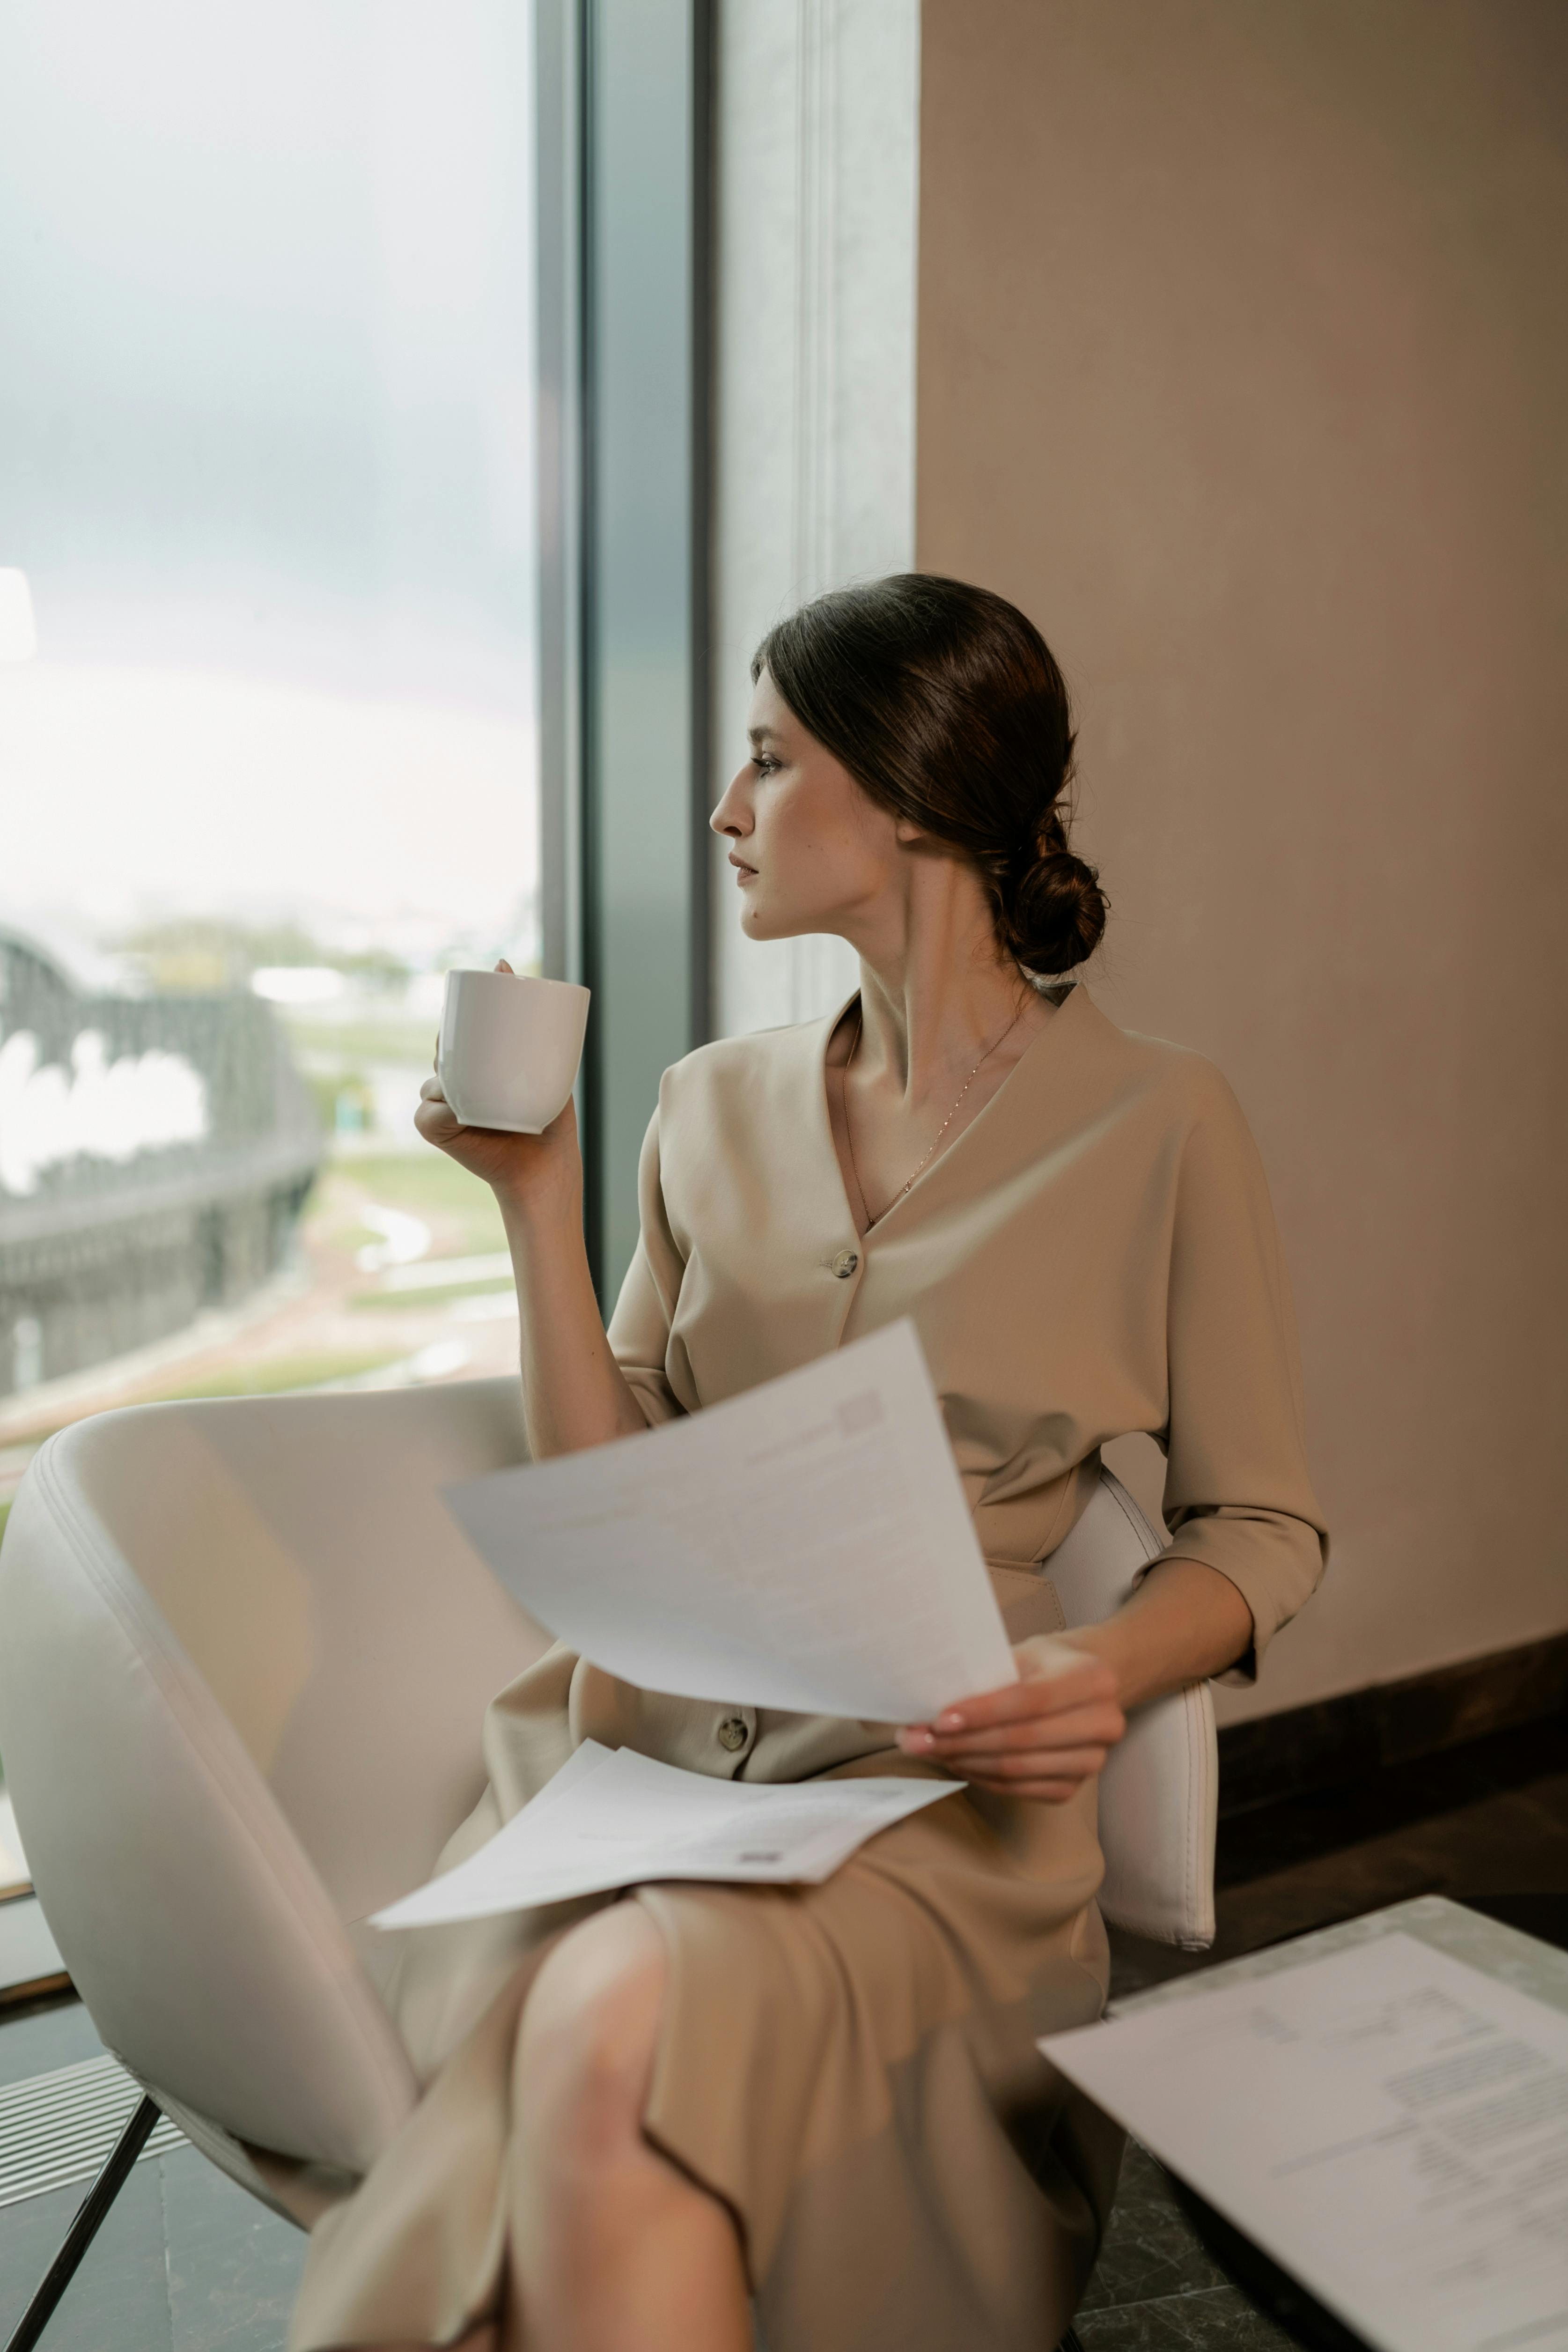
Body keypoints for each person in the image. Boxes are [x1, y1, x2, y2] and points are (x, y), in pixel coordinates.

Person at [285, 575, 1327, 2352]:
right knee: (589, 2058)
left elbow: (1266, 1523)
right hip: (640, 1759)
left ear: (912, 790)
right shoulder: (703, 1104)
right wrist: (538, 1204)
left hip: (937, 1803)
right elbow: (610, 1464)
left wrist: (1102, 1662)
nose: (724, 811)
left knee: (602, 2031)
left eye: (767, 760)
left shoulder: (1163, 1122)